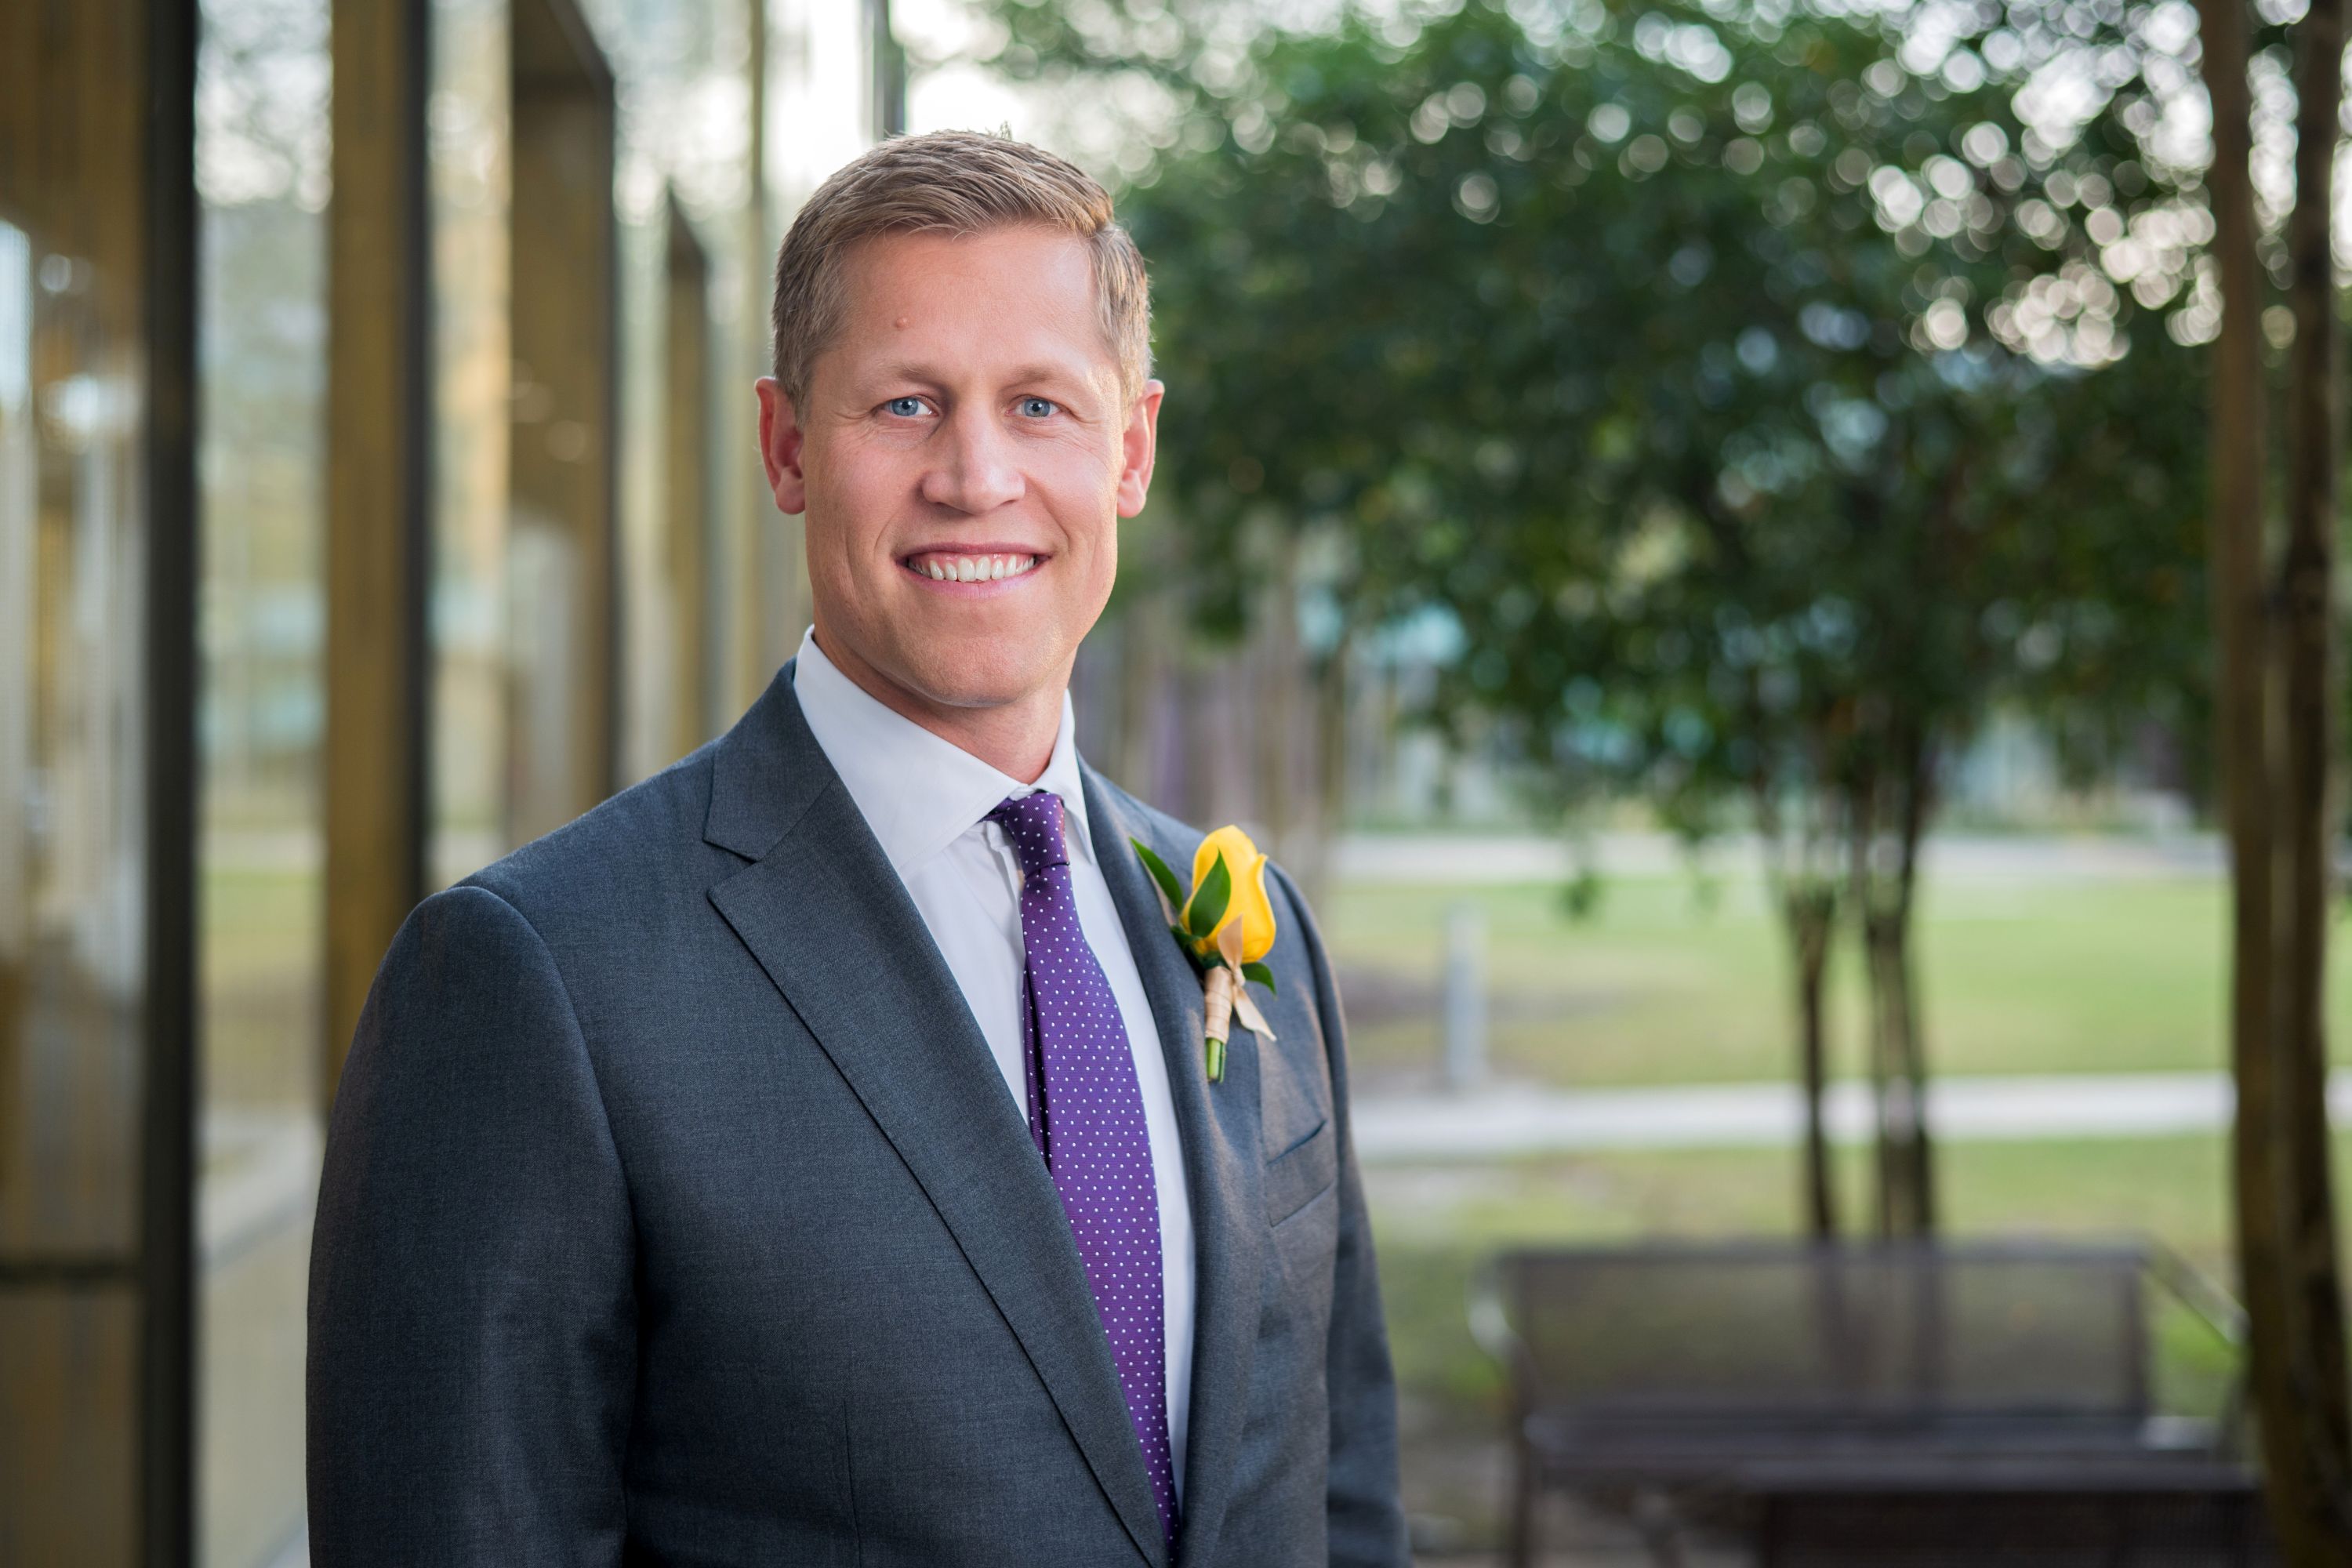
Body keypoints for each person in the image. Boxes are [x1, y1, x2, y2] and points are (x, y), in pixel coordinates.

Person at [306, 129, 1407, 1567]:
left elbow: (1343, 1491)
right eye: (903, 403)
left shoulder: (1250, 929)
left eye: (1038, 405)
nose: (975, 474)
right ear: (785, 446)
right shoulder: (538, 976)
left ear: (1128, 449)